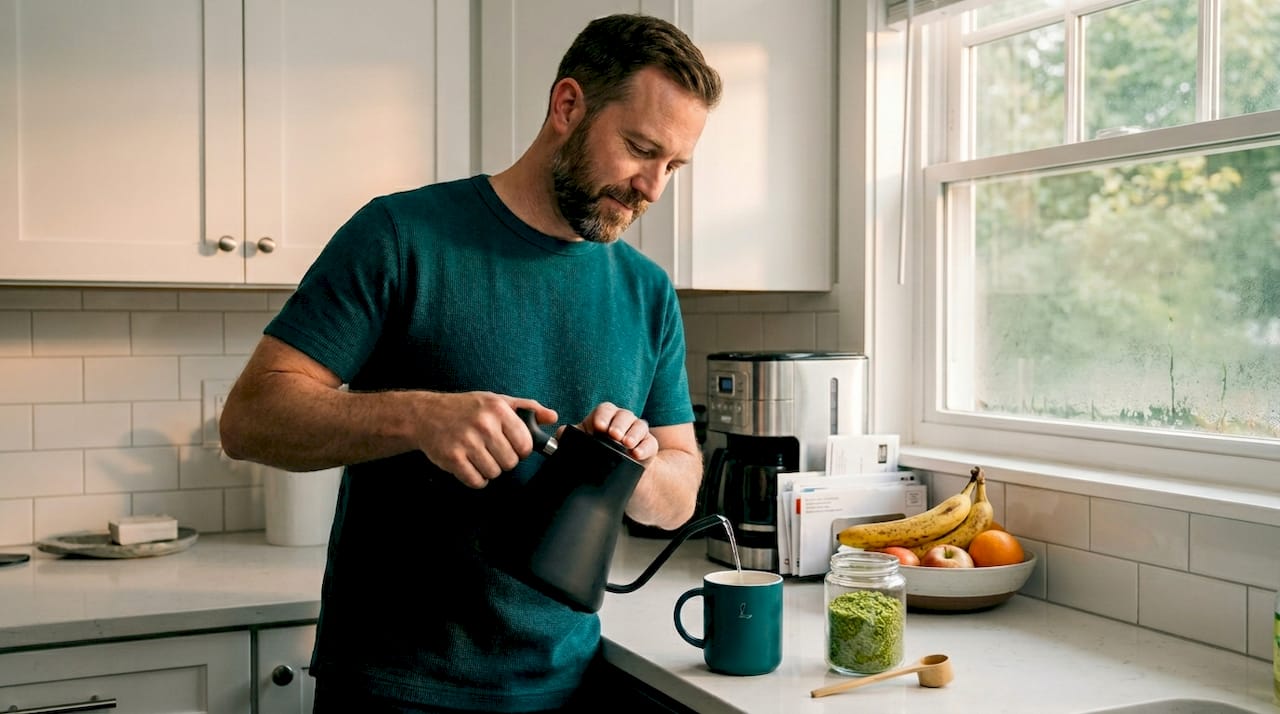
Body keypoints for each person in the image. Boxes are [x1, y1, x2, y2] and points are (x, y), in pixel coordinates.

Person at [217, 13, 722, 714]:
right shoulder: (400, 236)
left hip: (568, 685)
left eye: (673, 165)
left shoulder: (647, 292)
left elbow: (681, 486)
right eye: (640, 149)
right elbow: (249, 418)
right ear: (567, 106)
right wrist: (418, 415)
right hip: (396, 689)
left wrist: (631, 464)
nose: (653, 189)